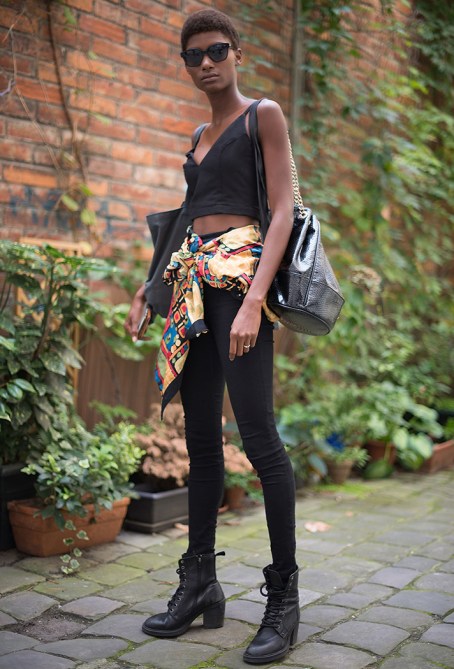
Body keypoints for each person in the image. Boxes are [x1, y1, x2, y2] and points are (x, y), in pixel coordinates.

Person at [124, 9, 299, 665]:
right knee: (201, 441)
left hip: (238, 287)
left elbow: (282, 209)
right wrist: (150, 288)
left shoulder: (262, 116)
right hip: (193, 288)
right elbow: (185, 222)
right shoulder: (199, 135)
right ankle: (199, 583)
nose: (205, 63)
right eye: (193, 55)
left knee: (259, 437)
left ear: (238, 53)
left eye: (216, 50)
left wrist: (254, 301)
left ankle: (284, 598)